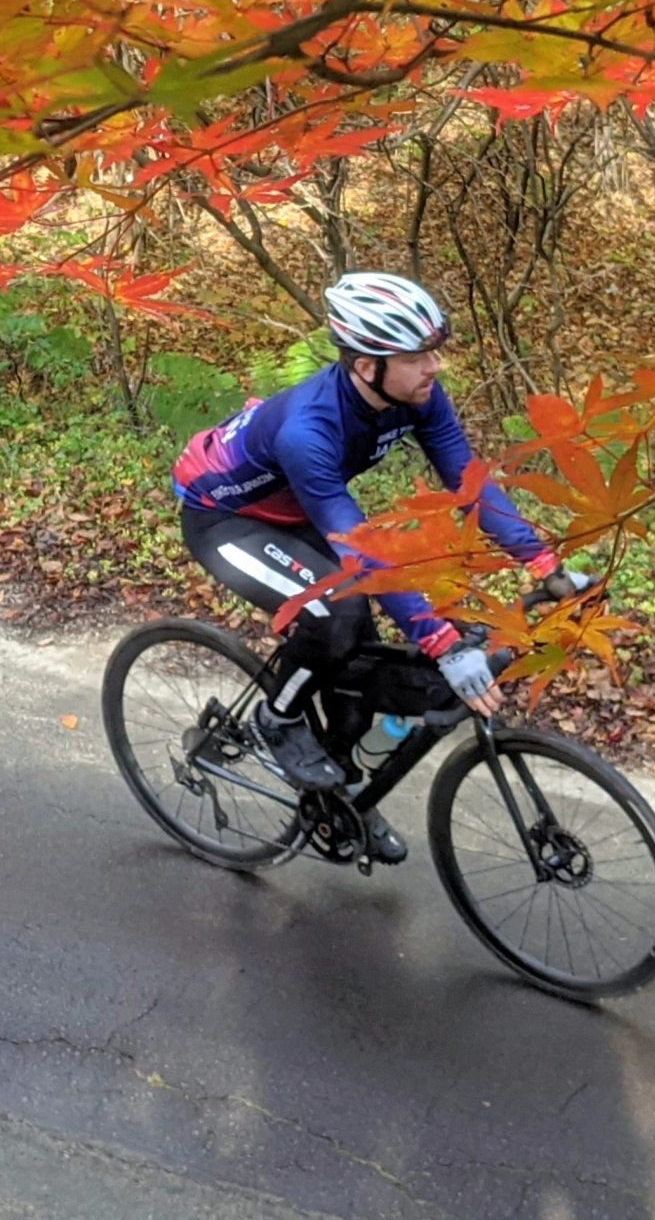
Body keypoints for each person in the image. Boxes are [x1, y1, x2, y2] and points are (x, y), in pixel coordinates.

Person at [173, 271, 576, 863]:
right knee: (336, 614)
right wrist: (440, 640)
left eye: (434, 352)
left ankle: (339, 802)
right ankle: (274, 717)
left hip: (300, 512)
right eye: (417, 357)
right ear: (367, 366)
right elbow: (360, 547)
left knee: (357, 672)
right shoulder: (308, 430)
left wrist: (545, 563)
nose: (434, 367)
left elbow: (469, 487)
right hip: (224, 519)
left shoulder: (415, 395)